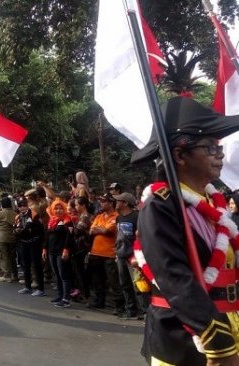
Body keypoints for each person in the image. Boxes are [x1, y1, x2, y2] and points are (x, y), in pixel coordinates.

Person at [131, 96, 239, 365]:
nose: (220, 154)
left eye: (219, 146)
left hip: (230, 322)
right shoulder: (160, 206)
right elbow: (173, 277)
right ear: (179, 155)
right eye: (210, 147)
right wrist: (216, 340)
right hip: (187, 337)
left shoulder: (214, 202)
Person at [87, 193, 122, 313]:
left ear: (111, 202)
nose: (101, 203)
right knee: (97, 280)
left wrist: (100, 229)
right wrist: (99, 230)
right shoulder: (99, 216)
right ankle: (99, 301)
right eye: (100, 201)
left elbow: (107, 230)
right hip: (95, 253)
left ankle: (119, 306)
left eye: (103, 201)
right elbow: (91, 231)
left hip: (109, 254)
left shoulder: (116, 216)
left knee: (113, 282)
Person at [113, 192, 140, 320]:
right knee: (124, 284)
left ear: (125, 203)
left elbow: (140, 237)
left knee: (138, 284)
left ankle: (145, 311)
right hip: (121, 255)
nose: (116, 203)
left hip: (133, 256)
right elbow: (118, 236)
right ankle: (131, 310)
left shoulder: (136, 217)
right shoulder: (119, 218)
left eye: (119, 201)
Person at [43, 200, 74, 308]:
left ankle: (66, 299)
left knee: (64, 275)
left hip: (62, 252)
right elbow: (47, 236)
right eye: (56, 208)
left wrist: (66, 250)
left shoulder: (67, 220)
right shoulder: (52, 220)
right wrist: (44, 249)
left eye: (60, 208)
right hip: (52, 251)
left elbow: (69, 237)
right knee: (57, 274)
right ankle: (60, 295)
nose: (58, 210)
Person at [16, 198, 46, 296]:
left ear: (27, 205)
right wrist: (17, 231)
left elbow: (41, 230)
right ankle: (27, 286)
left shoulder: (34, 215)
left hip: (34, 242)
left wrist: (41, 243)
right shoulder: (18, 216)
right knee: (25, 265)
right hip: (23, 242)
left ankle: (41, 289)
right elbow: (15, 228)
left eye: (24, 205)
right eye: (20, 205)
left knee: (37, 265)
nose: (22, 207)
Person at [0, 197, 18, 283]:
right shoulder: (15, 213)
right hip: (12, 237)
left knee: (3, 256)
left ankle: (7, 275)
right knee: (12, 256)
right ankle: (15, 274)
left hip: (2, 237)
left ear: (2, 204)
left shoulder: (1, 213)